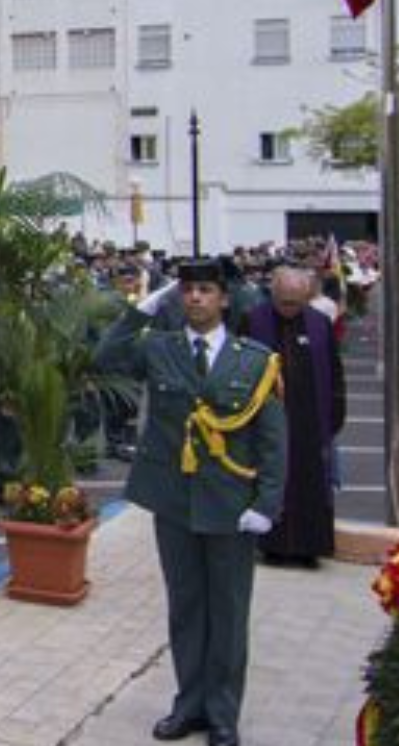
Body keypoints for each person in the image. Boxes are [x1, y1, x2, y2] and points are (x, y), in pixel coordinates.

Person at [95, 259, 286, 746]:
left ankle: (222, 712)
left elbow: (272, 440)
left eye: (205, 290)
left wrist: (266, 503)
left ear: (224, 300)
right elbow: (105, 357)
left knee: (228, 611)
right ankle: (189, 704)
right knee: (186, 607)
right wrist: (140, 310)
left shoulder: (254, 359)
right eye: (187, 291)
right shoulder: (160, 349)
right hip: (175, 501)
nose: (195, 298)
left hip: (229, 503)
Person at [241, 267, 345, 567]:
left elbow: (334, 373)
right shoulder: (253, 320)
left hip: (310, 421)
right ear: (272, 294)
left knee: (310, 484)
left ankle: (309, 548)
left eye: (295, 303)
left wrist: (335, 415)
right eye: (283, 302)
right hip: (266, 420)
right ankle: (272, 546)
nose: (289, 309)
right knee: (274, 480)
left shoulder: (319, 323)